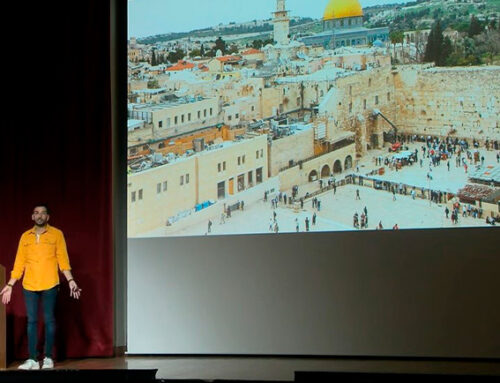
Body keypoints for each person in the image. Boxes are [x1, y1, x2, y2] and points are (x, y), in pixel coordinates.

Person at [0, 204, 81, 370]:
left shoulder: (57, 234)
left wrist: (71, 280)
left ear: (48, 217)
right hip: (29, 284)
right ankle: (32, 359)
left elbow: (63, 260)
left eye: (43, 213)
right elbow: (19, 263)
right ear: (32, 217)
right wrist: (10, 284)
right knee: (32, 321)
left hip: (50, 282)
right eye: (36, 213)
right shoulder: (25, 237)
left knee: (49, 319)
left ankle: (48, 358)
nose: (40, 215)